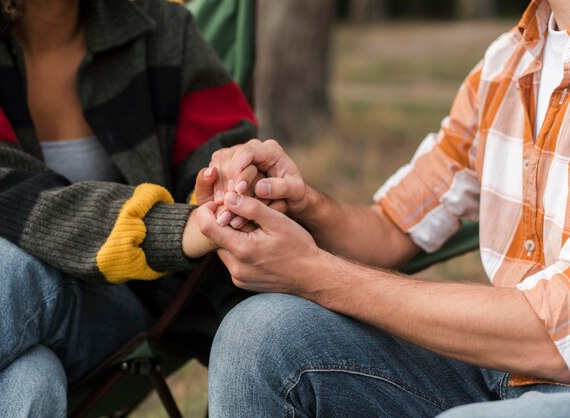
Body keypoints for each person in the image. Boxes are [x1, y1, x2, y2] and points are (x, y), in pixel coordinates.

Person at [196, 0, 570, 416]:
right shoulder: (507, 64)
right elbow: (393, 227)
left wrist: (314, 274)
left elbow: (557, 332)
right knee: (256, 335)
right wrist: (299, 203)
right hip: (498, 367)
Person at [0, 0, 256, 415]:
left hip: (107, 312)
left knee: (1, 262)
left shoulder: (162, 31)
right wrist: (171, 228)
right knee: (29, 384)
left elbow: (225, 163)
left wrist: (227, 186)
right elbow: (2, 193)